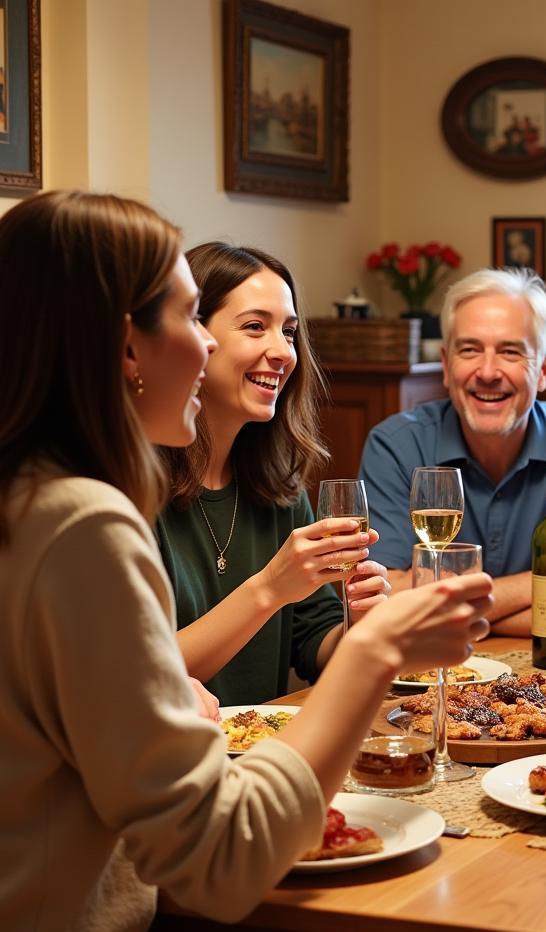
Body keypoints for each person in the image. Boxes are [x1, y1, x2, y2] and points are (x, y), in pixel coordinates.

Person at [0, 190, 492, 932]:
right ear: (126, 344)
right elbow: (221, 866)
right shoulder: (82, 523)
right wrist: (376, 656)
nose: (204, 343)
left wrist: (354, 636)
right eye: (197, 317)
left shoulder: (32, 499)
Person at [157, 243, 391, 707]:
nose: (282, 351)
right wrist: (269, 588)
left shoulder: (277, 486)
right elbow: (141, 676)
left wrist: (360, 624)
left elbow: (314, 640)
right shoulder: (130, 487)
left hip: (258, 750)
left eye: (288, 332)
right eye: (254, 327)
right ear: (191, 337)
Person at [359, 266, 546, 637]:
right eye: (470, 350)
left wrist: (445, 606)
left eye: (510, 352)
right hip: (430, 681)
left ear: (544, 369)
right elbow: (379, 609)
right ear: (446, 365)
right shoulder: (395, 446)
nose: (488, 371)